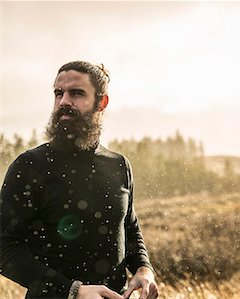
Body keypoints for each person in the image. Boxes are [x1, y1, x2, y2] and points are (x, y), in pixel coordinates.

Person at [0, 61, 159, 299]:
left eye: (76, 93)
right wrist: (72, 291)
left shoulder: (119, 165)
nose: (64, 101)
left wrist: (144, 268)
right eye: (58, 93)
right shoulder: (30, 166)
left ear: (101, 103)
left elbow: (128, 226)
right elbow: (4, 247)